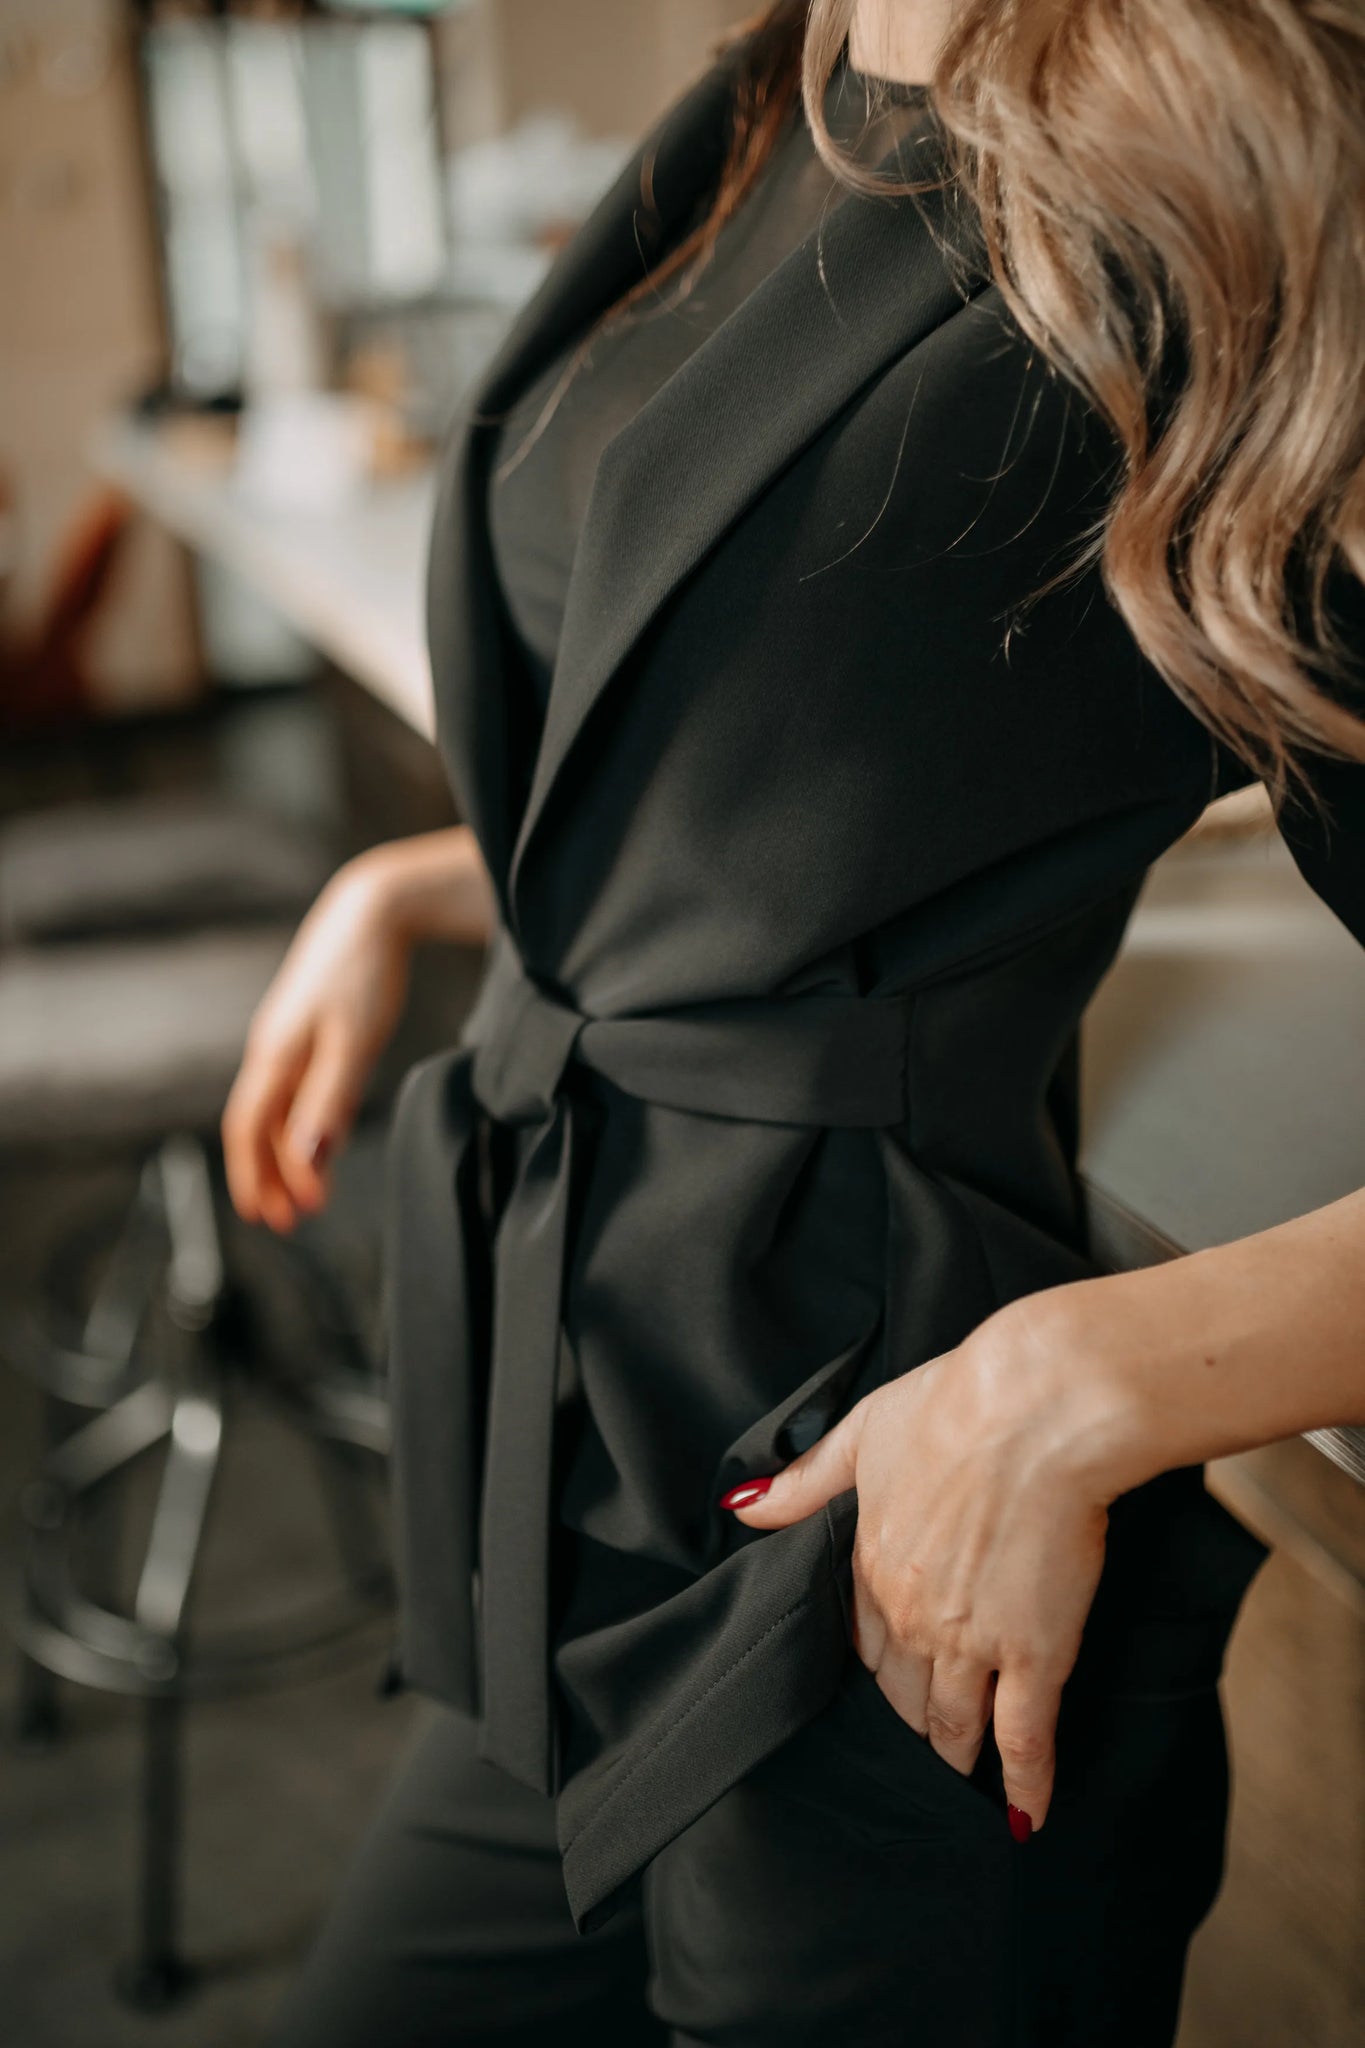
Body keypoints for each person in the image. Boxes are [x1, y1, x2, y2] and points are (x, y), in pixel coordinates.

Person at [223, 2, 1365, 2042]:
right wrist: (439, 885)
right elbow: (837, 730)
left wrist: (1074, 1380)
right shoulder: (777, 99)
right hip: (562, 1497)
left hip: (876, 1559)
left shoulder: (1246, 163)